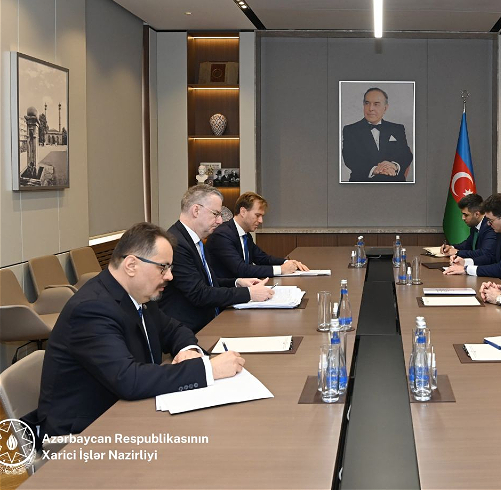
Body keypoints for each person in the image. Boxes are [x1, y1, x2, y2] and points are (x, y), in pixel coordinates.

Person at [27, 223, 246, 437]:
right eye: (163, 267)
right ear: (131, 265)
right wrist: (208, 369)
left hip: (126, 411)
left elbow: (173, 329)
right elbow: (129, 379)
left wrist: (189, 350)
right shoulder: (91, 309)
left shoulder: (138, 295)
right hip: (83, 433)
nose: (169, 276)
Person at [159, 185, 274, 332]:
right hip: (192, 330)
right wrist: (250, 293)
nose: (220, 221)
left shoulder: (195, 240)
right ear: (196, 210)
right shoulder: (176, 244)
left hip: (209, 320)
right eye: (215, 214)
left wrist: (237, 282)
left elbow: (208, 282)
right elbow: (199, 293)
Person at [206, 191, 309, 278]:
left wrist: (287, 263)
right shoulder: (222, 235)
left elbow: (262, 258)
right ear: (243, 212)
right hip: (227, 291)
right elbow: (241, 269)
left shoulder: (245, 235)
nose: (261, 221)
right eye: (257, 215)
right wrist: (280, 269)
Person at [444, 193, 501, 282]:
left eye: (490, 220)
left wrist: (466, 269)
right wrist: (465, 262)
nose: (488, 224)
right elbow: (491, 257)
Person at [341, 87, 413, 182]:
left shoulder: (397, 129)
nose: (371, 108)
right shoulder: (350, 130)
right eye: (367, 103)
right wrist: (375, 169)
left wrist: (394, 165)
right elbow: (350, 158)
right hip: (363, 183)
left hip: (394, 183)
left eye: (376, 104)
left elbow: (406, 154)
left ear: (385, 108)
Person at [439, 193, 497, 261]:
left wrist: (457, 252)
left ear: (477, 214)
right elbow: (468, 244)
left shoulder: (490, 226)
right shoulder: (474, 225)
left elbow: (483, 252)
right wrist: (451, 247)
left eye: (466, 215)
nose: (463, 218)